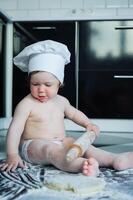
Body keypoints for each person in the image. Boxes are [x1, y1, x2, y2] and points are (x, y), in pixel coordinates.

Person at [0, 40, 133, 176]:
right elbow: (15, 129)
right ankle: (82, 165)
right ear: (29, 82)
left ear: (59, 84)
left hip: (61, 141)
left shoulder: (61, 101)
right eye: (35, 84)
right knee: (50, 150)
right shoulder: (26, 104)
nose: (41, 89)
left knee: (81, 145)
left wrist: (88, 124)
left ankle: (114, 159)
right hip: (33, 145)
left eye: (47, 84)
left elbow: (74, 114)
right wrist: (12, 154)